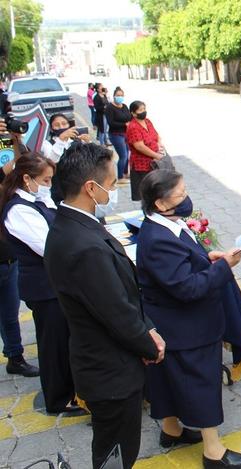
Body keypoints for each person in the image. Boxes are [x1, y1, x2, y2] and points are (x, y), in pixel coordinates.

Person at [43, 142, 165, 469]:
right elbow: (116, 312)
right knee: (116, 455)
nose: (113, 191)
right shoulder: (82, 247)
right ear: (90, 188)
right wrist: (149, 343)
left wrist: (148, 325)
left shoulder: (73, 224)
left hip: (103, 363)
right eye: (111, 185)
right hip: (110, 373)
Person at [137, 170, 241, 469]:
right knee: (202, 383)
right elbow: (187, 288)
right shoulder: (158, 239)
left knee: (167, 380)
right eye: (181, 195)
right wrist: (224, 267)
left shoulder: (168, 225)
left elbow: (185, 265)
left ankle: (171, 430)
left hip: (174, 324)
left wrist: (207, 258)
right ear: (161, 204)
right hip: (186, 327)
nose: (187, 199)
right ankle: (213, 452)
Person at [0, 153, 79, 413]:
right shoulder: (19, 210)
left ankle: (68, 390)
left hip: (52, 284)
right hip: (43, 287)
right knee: (52, 344)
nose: (48, 185)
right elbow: (48, 247)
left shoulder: (35, 200)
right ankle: (58, 399)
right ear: (26, 178)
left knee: (61, 339)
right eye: (44, 180)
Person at [0, 123, 38, 378]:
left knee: (10, 313)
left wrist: (15, 139)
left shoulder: (9, 187)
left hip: (6, 259)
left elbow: (23, 165)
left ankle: (15, 356)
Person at [126, 100, 165, 202]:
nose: (143, 111)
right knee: (146, 194)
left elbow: (156, 135)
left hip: (154, 162)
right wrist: (156, 155)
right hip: (142, 165)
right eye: (140, 110)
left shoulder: (147, 121)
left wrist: (159, 144)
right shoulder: (133, 127)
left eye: (144, 109)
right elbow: (139, 146)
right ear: (133, 113)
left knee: (156, 191)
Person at [105, 87, 132, 182]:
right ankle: (120, 177)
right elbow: (111, 122)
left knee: (128, 154)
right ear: (114, 96)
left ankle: (126, 173)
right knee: (123, 155)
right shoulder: (110, 108)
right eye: (118, 95)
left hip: (126, 134)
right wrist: (124, 124)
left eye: (121, 95)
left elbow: (129, 116)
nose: (120, 97)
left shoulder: (124, 106)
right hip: (116, 134)